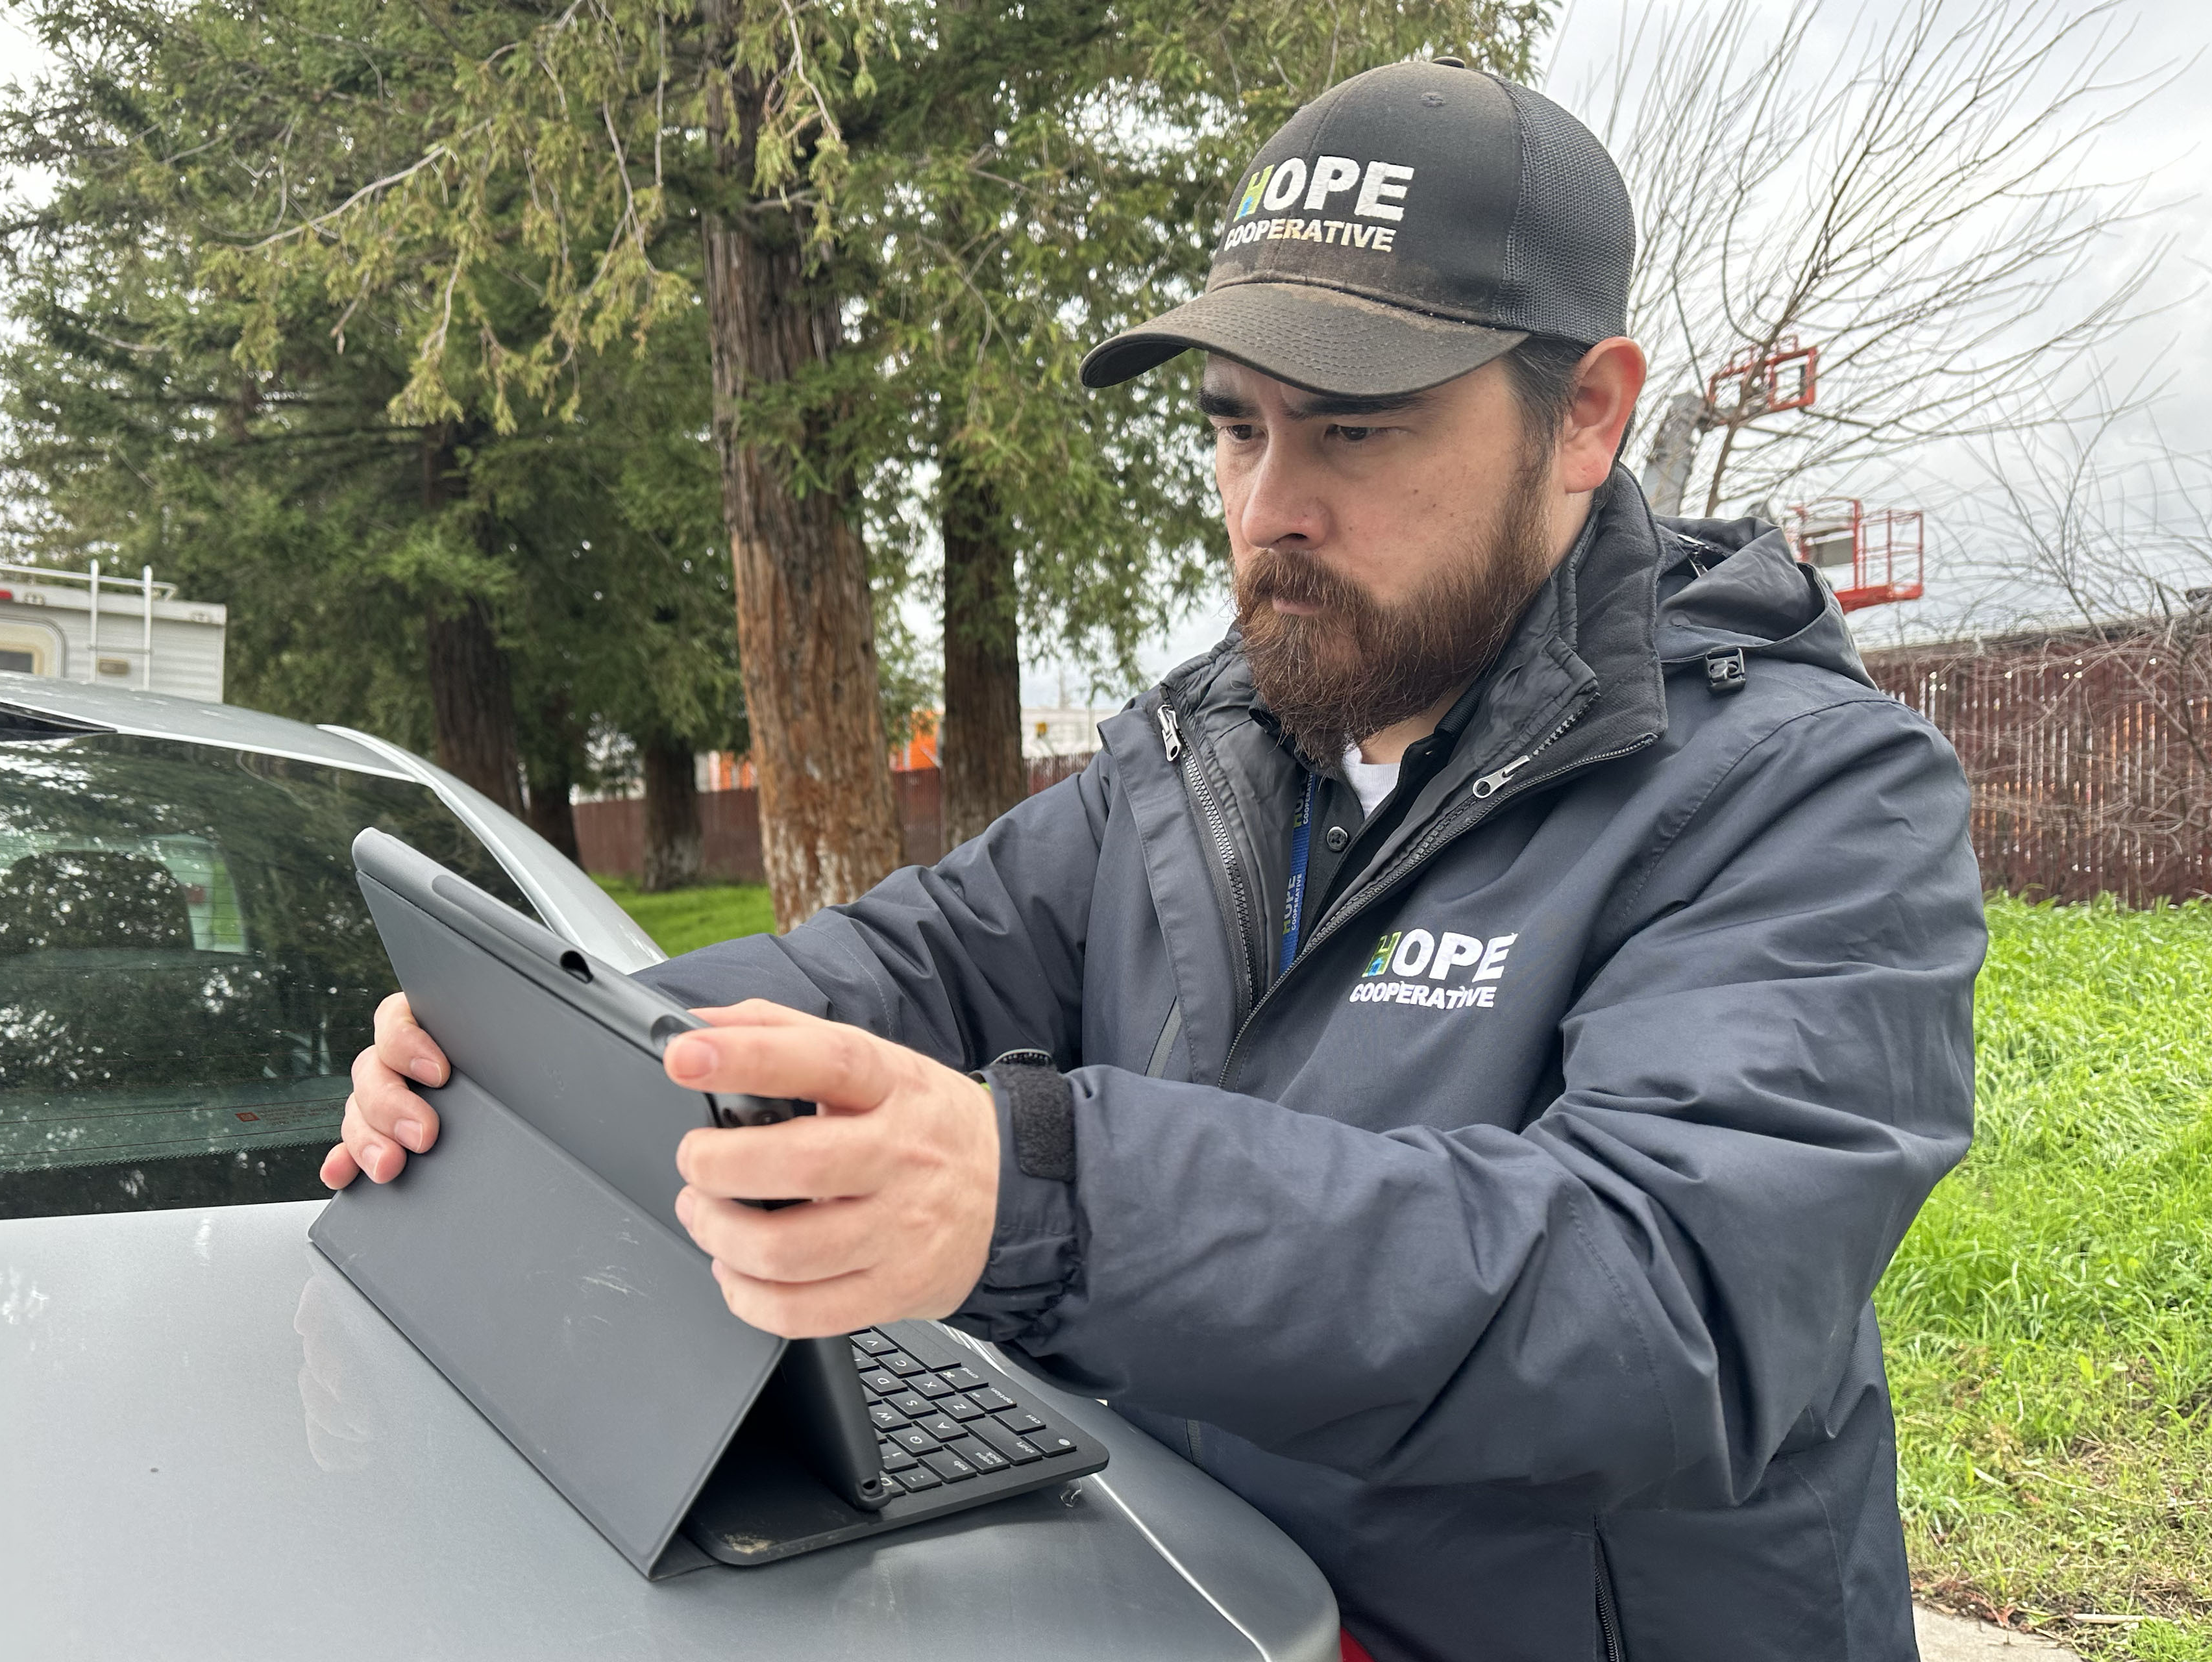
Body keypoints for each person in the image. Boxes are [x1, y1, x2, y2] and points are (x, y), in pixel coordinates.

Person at [325, 58, 1984, 1662]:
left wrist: (1040, 1194)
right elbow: (918, 960)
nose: (1269, 508)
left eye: (1355, 431)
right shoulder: (1211, 749)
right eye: (1234, 427)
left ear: (1586, 416)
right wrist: (567, 1051)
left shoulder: (1811, 794)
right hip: (1203, 1594)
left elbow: (1660, 1306)